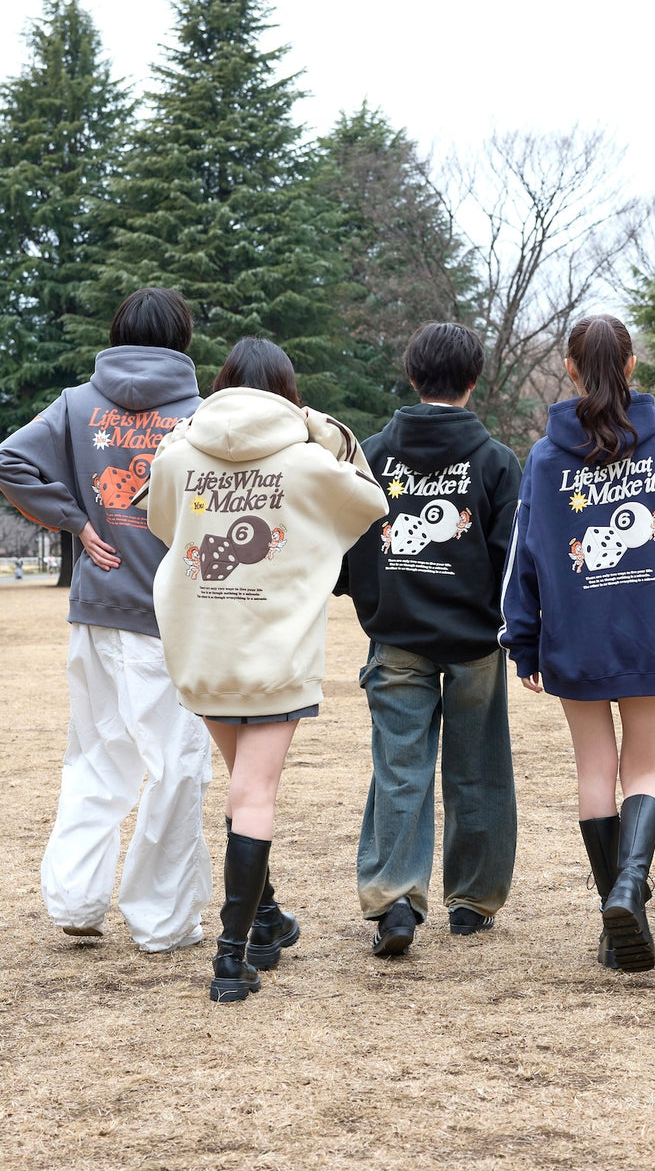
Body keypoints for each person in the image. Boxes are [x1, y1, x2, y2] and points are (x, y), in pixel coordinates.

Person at [143, 337, 388, 1000]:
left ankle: (268, 919)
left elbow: (159, 517)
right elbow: (370, 502)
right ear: (288, 392)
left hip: (202, 644)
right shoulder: (308, 461)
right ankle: (233, 956)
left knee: (242, 789)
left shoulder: (179, 451)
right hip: (273, 647)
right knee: (252, 795)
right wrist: (319, 431)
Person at [499, 315, 655, 972]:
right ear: (631, 368)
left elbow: (531, 558)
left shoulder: (545, 459)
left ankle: (616, 910)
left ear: (570, 370)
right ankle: (628, 892)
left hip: (577, 632)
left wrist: (524, 640)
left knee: (594, 772)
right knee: (646, 771)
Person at [0, 288, 213, 952]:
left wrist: (77, 521)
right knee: (177, 765)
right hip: (172, 617)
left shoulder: (76, 404)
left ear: (117, 331)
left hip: (96, 610)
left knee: (97, 757)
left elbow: (11, 458)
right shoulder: (203, 415)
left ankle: (76, 898)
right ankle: (162, 920)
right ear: (180, 338)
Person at [336, 322, 521, 956]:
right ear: (472, 382)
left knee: (400, 768)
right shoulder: (495, 461)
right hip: (476, 642)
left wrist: (376, 604)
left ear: (413, 377)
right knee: (479, 768)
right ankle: (471, 902)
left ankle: (394, 903)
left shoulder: (372, 455)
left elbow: (352, 546)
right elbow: (509, 559)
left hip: (397, 639)